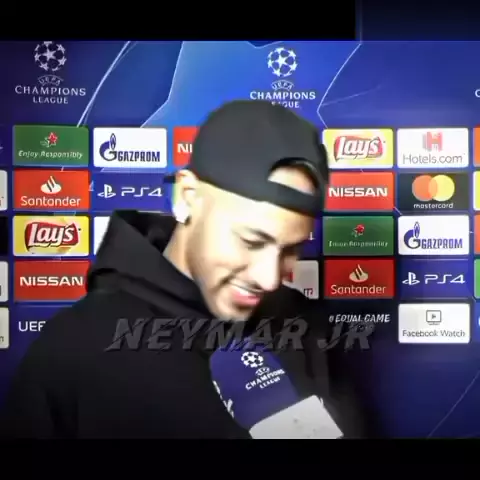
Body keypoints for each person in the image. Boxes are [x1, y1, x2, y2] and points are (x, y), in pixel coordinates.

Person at [0, 100, 367, 438]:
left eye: (291, 249)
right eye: (251, 241)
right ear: (188, 197)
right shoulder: (73, 349)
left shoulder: (309, 329)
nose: (270, 278)